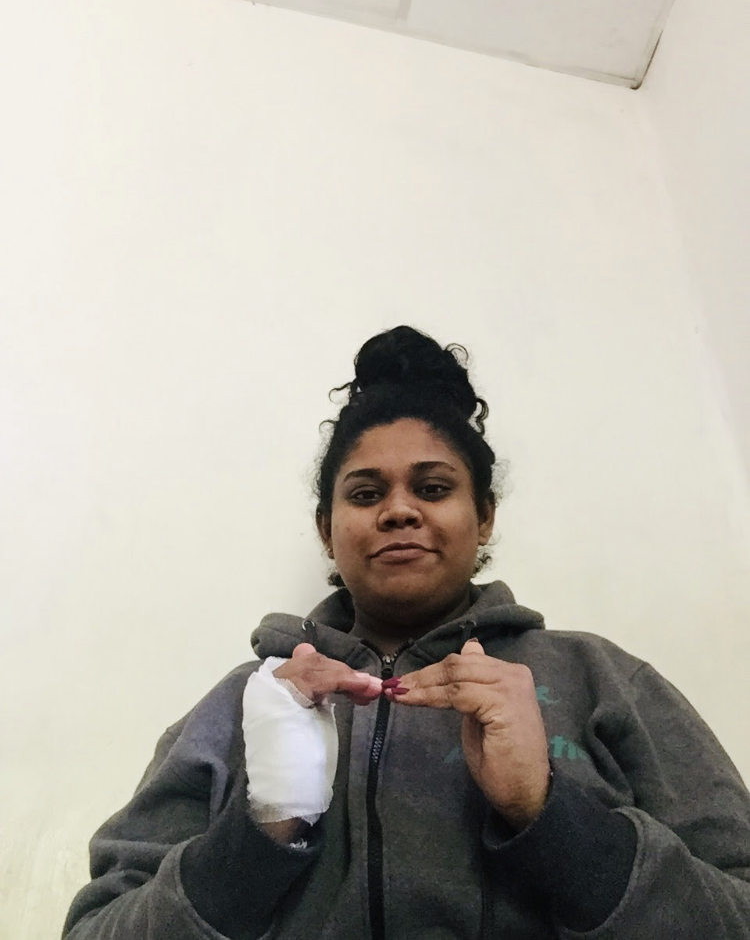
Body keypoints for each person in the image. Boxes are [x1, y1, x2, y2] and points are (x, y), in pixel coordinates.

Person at [62, 326, 750, 940]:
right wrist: (261, 831)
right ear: (326, 531)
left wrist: (549, 812)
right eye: (365, 494)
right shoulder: (238, 706)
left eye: (433, 488)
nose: (398, 510)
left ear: (484, 516)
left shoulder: (600, 678)